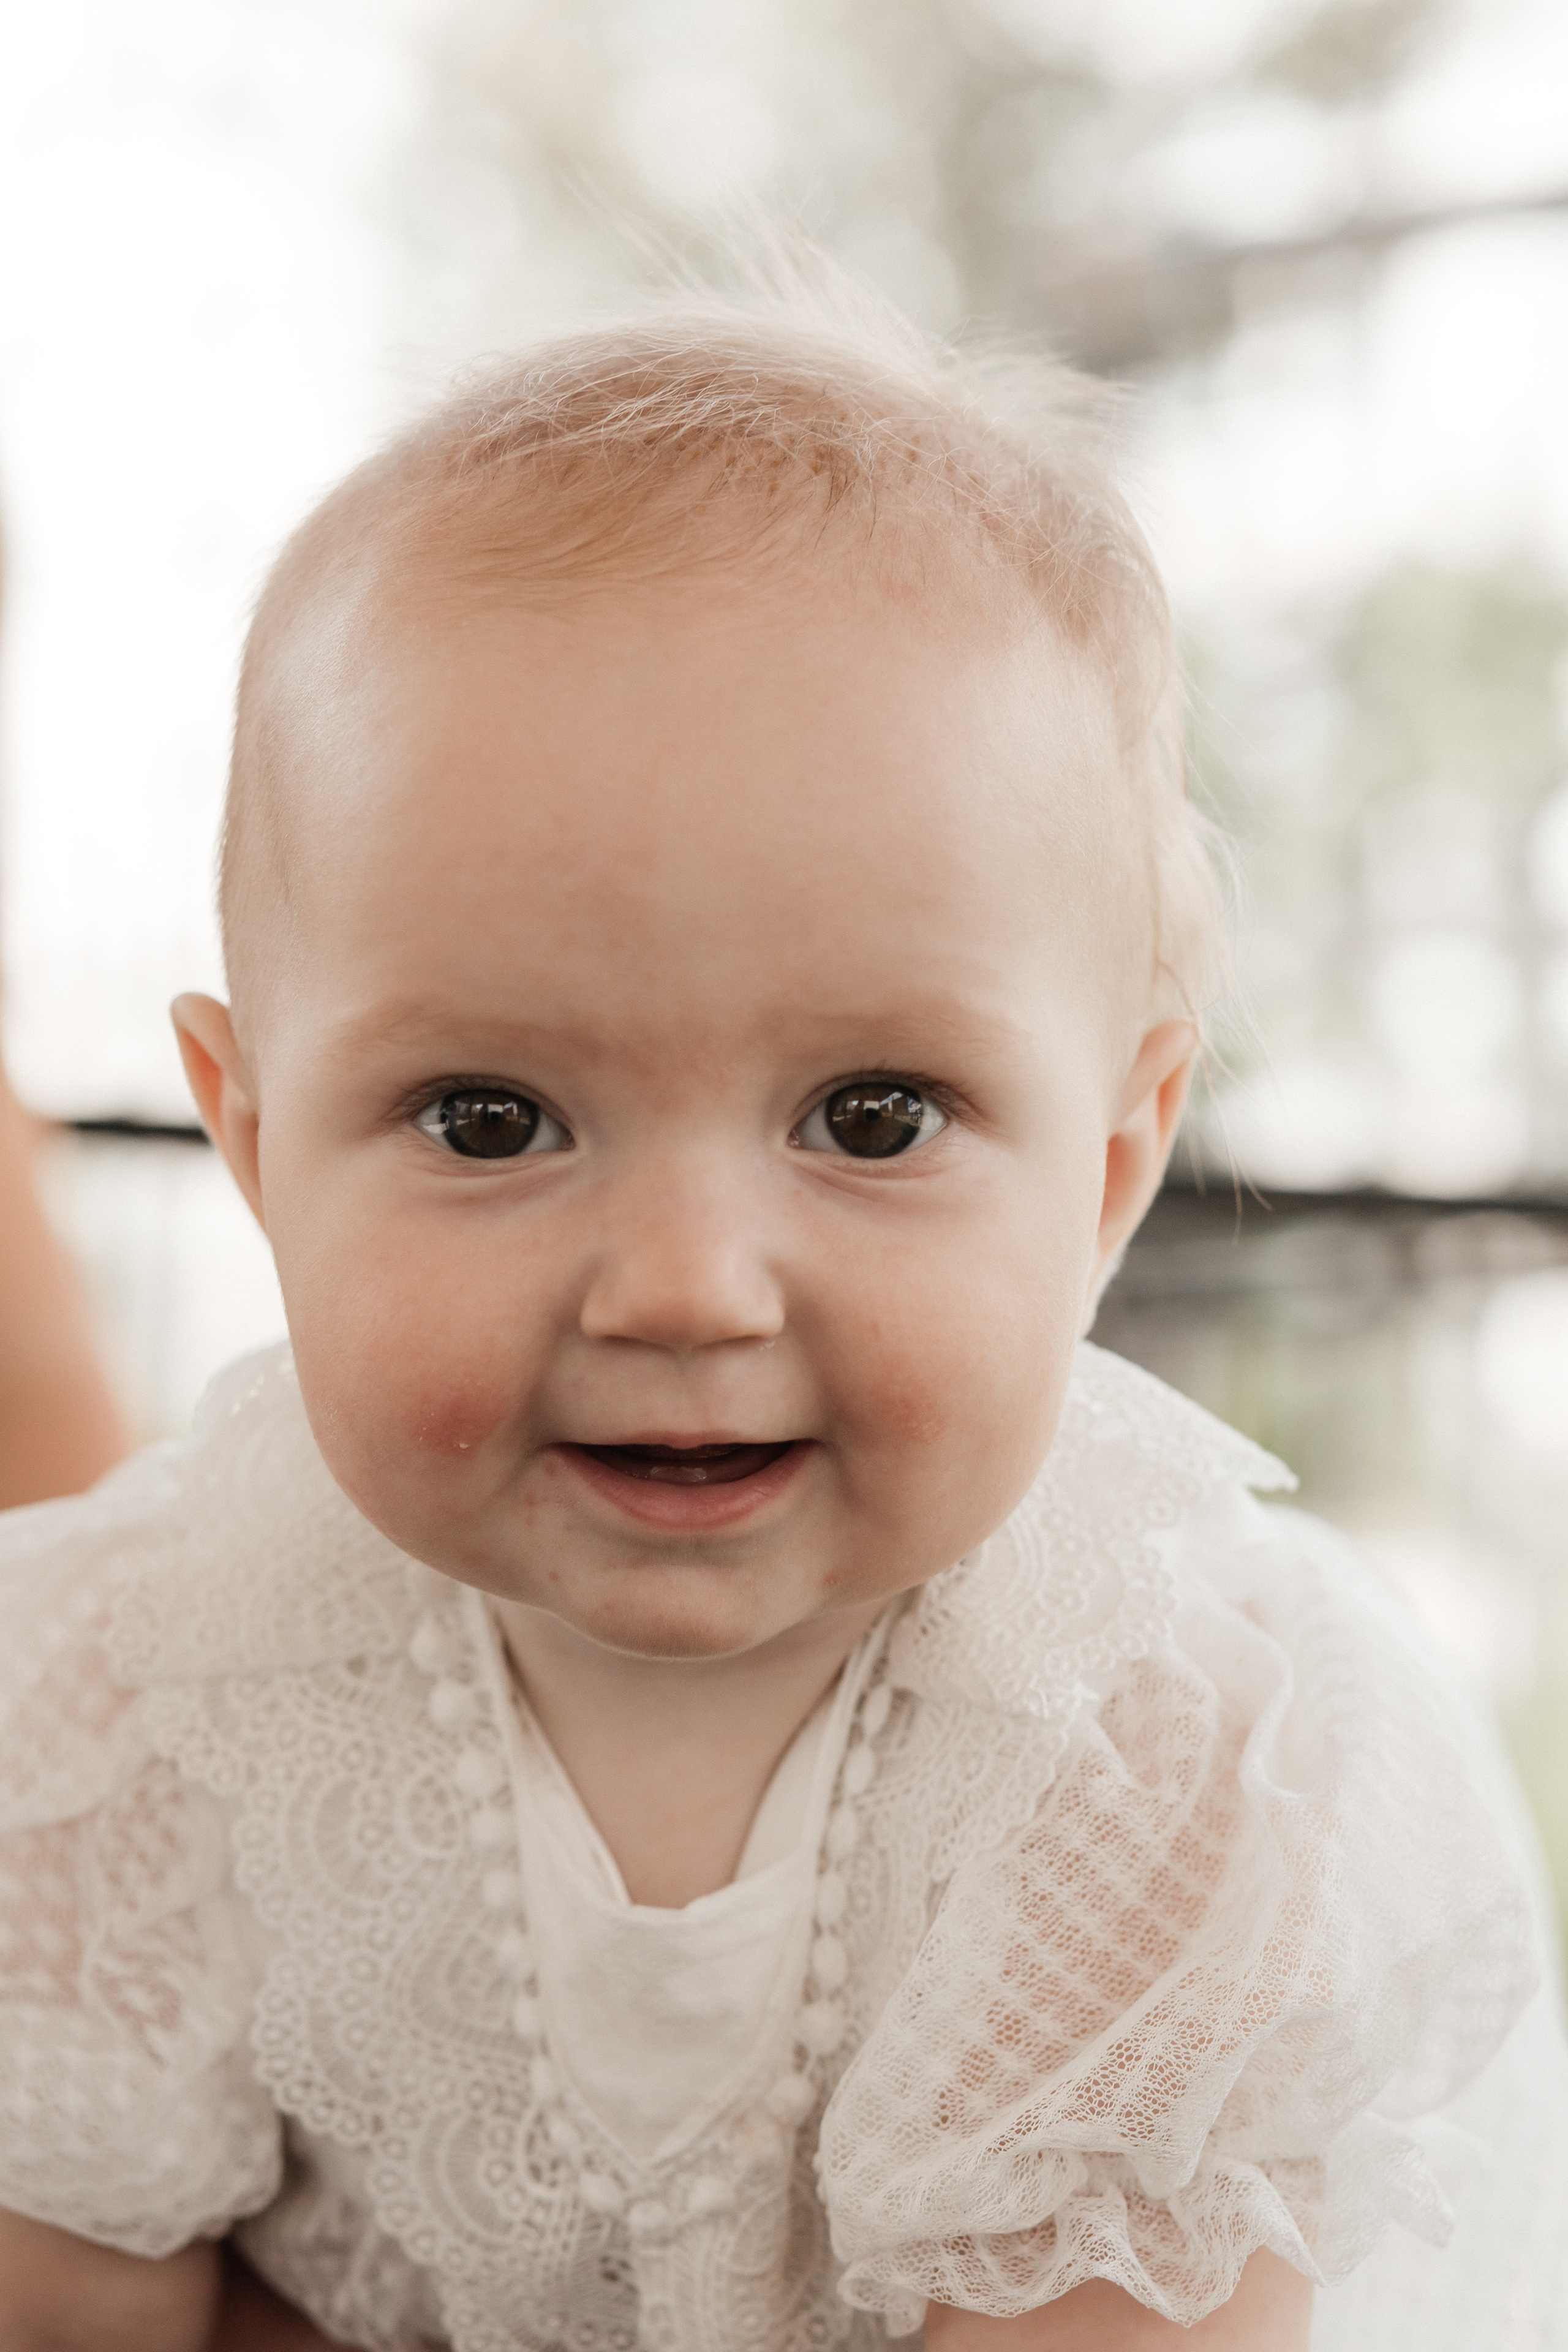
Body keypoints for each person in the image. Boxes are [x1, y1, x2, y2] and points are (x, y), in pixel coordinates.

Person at [0, 272, 1563, 2352]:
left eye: (872, 1114)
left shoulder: (1180, 1760)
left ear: (1110, 1169)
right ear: (257, 1144)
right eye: (490, 1117)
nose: (683, 1290)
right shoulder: (119, 1694)